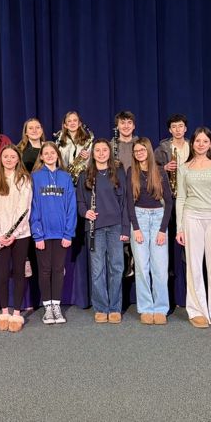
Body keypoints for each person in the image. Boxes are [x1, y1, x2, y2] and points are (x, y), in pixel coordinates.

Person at [176, 127, 211, 328]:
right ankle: (197, 311)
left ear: (210, 144)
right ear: (192, 143)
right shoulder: (184, 168)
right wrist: (179, 228)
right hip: (192, 218)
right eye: (197, 141)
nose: (201, 144)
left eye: (205, 141)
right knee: (194, 266)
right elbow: (181, 198)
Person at [77, 139, 129, 324]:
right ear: (92, 153)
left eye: (104, 150)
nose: (100, 153)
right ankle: (101, 307)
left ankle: (114, 307)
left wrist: (125, 229)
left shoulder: (118, 173)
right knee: (98, 270)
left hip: (115, 227)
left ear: (109, 152)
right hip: (95, 228)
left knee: (117, 267)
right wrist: (86, 212)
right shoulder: (85, 174)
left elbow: (125, 204)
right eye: (97, 150)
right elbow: (80, 202)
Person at [0, 146, 32, 333]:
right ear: (1, 159)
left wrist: (14, 233)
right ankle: (4, 312)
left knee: (19, 273)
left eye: (13, 156)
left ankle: (17, 312)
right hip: (0, 236)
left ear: (18, 159)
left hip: (20, 235)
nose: (9, 159)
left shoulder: (24, 179)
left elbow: (24, 208)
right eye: (6, 156)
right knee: (3, 274)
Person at [126, 138, 173, 325]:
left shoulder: (160, 171)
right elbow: (129, 203)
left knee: (160, 269)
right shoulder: (132, 172)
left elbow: (169, 202)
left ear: (148, 151)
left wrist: (163, 229)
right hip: (139, 219)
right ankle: (145, 308)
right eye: (136, 151)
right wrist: (136, 228)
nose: (139, 153)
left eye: (142, 150)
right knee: (142, 268)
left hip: (158, 219)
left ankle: (160, 308)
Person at [30, 142, 77, 324]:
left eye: (52, 152)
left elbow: (71, 207)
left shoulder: (65, 178)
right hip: (43, 234)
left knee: (58, 270)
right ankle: (47, 307)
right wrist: (37, 234)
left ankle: (57, 306)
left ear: (57, 155)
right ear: (41, 156)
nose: (49, 155)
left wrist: (68, 233)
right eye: (46, 153)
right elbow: (32, 206)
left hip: (61, 234)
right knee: (44, 270)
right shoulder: (35, 177)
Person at [55, 111, 93, 180]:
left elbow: (92, 162)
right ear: (65, 125)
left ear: (79, 123)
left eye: (75, 120)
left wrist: (87, 157)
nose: (72, 123)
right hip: (64, 177)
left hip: (82, 178)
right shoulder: (60, 142)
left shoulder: (87, 141)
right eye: (69, 121)